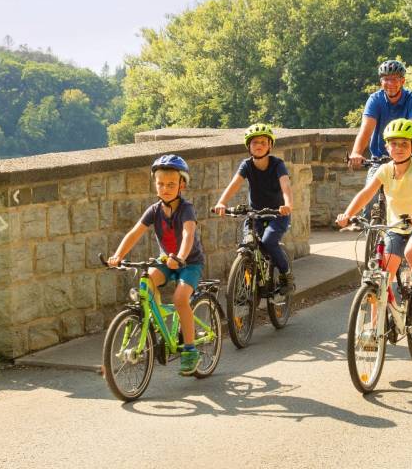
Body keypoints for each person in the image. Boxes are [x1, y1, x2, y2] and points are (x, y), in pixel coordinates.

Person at [108, 154, 206, 376]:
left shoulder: (186, 208)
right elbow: (135, 233)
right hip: (165, 261)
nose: (165, 188)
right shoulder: (154, 210)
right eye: (160, 184)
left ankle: (190, 349)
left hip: (189, 262)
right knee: (146, 282)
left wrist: (180, 257)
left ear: (182, 184)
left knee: (180, 299)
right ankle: (157, 323)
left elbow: (188, 233)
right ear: (155, 185)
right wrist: (118, 256)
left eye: (171, 184)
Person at [336, 119, 412, 315]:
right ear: (387, 147)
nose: (399, 148)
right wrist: (348, 214)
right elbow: (366, 194)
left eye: (404, 143)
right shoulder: (385, 169)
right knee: (382, 278)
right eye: (394, 143)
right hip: (395, 229)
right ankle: (373, 330)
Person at [212, 123, 295, 293]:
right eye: (255, 142)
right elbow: (234, 185)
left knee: (269, 241)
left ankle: (286, 275)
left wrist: (288, 205)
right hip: (255, 215)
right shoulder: (247, 165)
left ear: (270, 146)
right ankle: (248, 281)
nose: (259, 146)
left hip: (277, 214)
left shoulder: (277, 164)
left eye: (263, 142)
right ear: (248, 146)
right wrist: (222, 202)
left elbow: (285, 185)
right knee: (247, 243)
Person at [346, 59, 412, 174]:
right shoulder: (375, 100)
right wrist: (356, 153)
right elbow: (366, 129)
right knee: (371, 191)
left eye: (394, 79)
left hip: (409, 157)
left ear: (403, 81)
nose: (390, 83)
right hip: (380, 159)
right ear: (381, 82)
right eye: (386, 79)